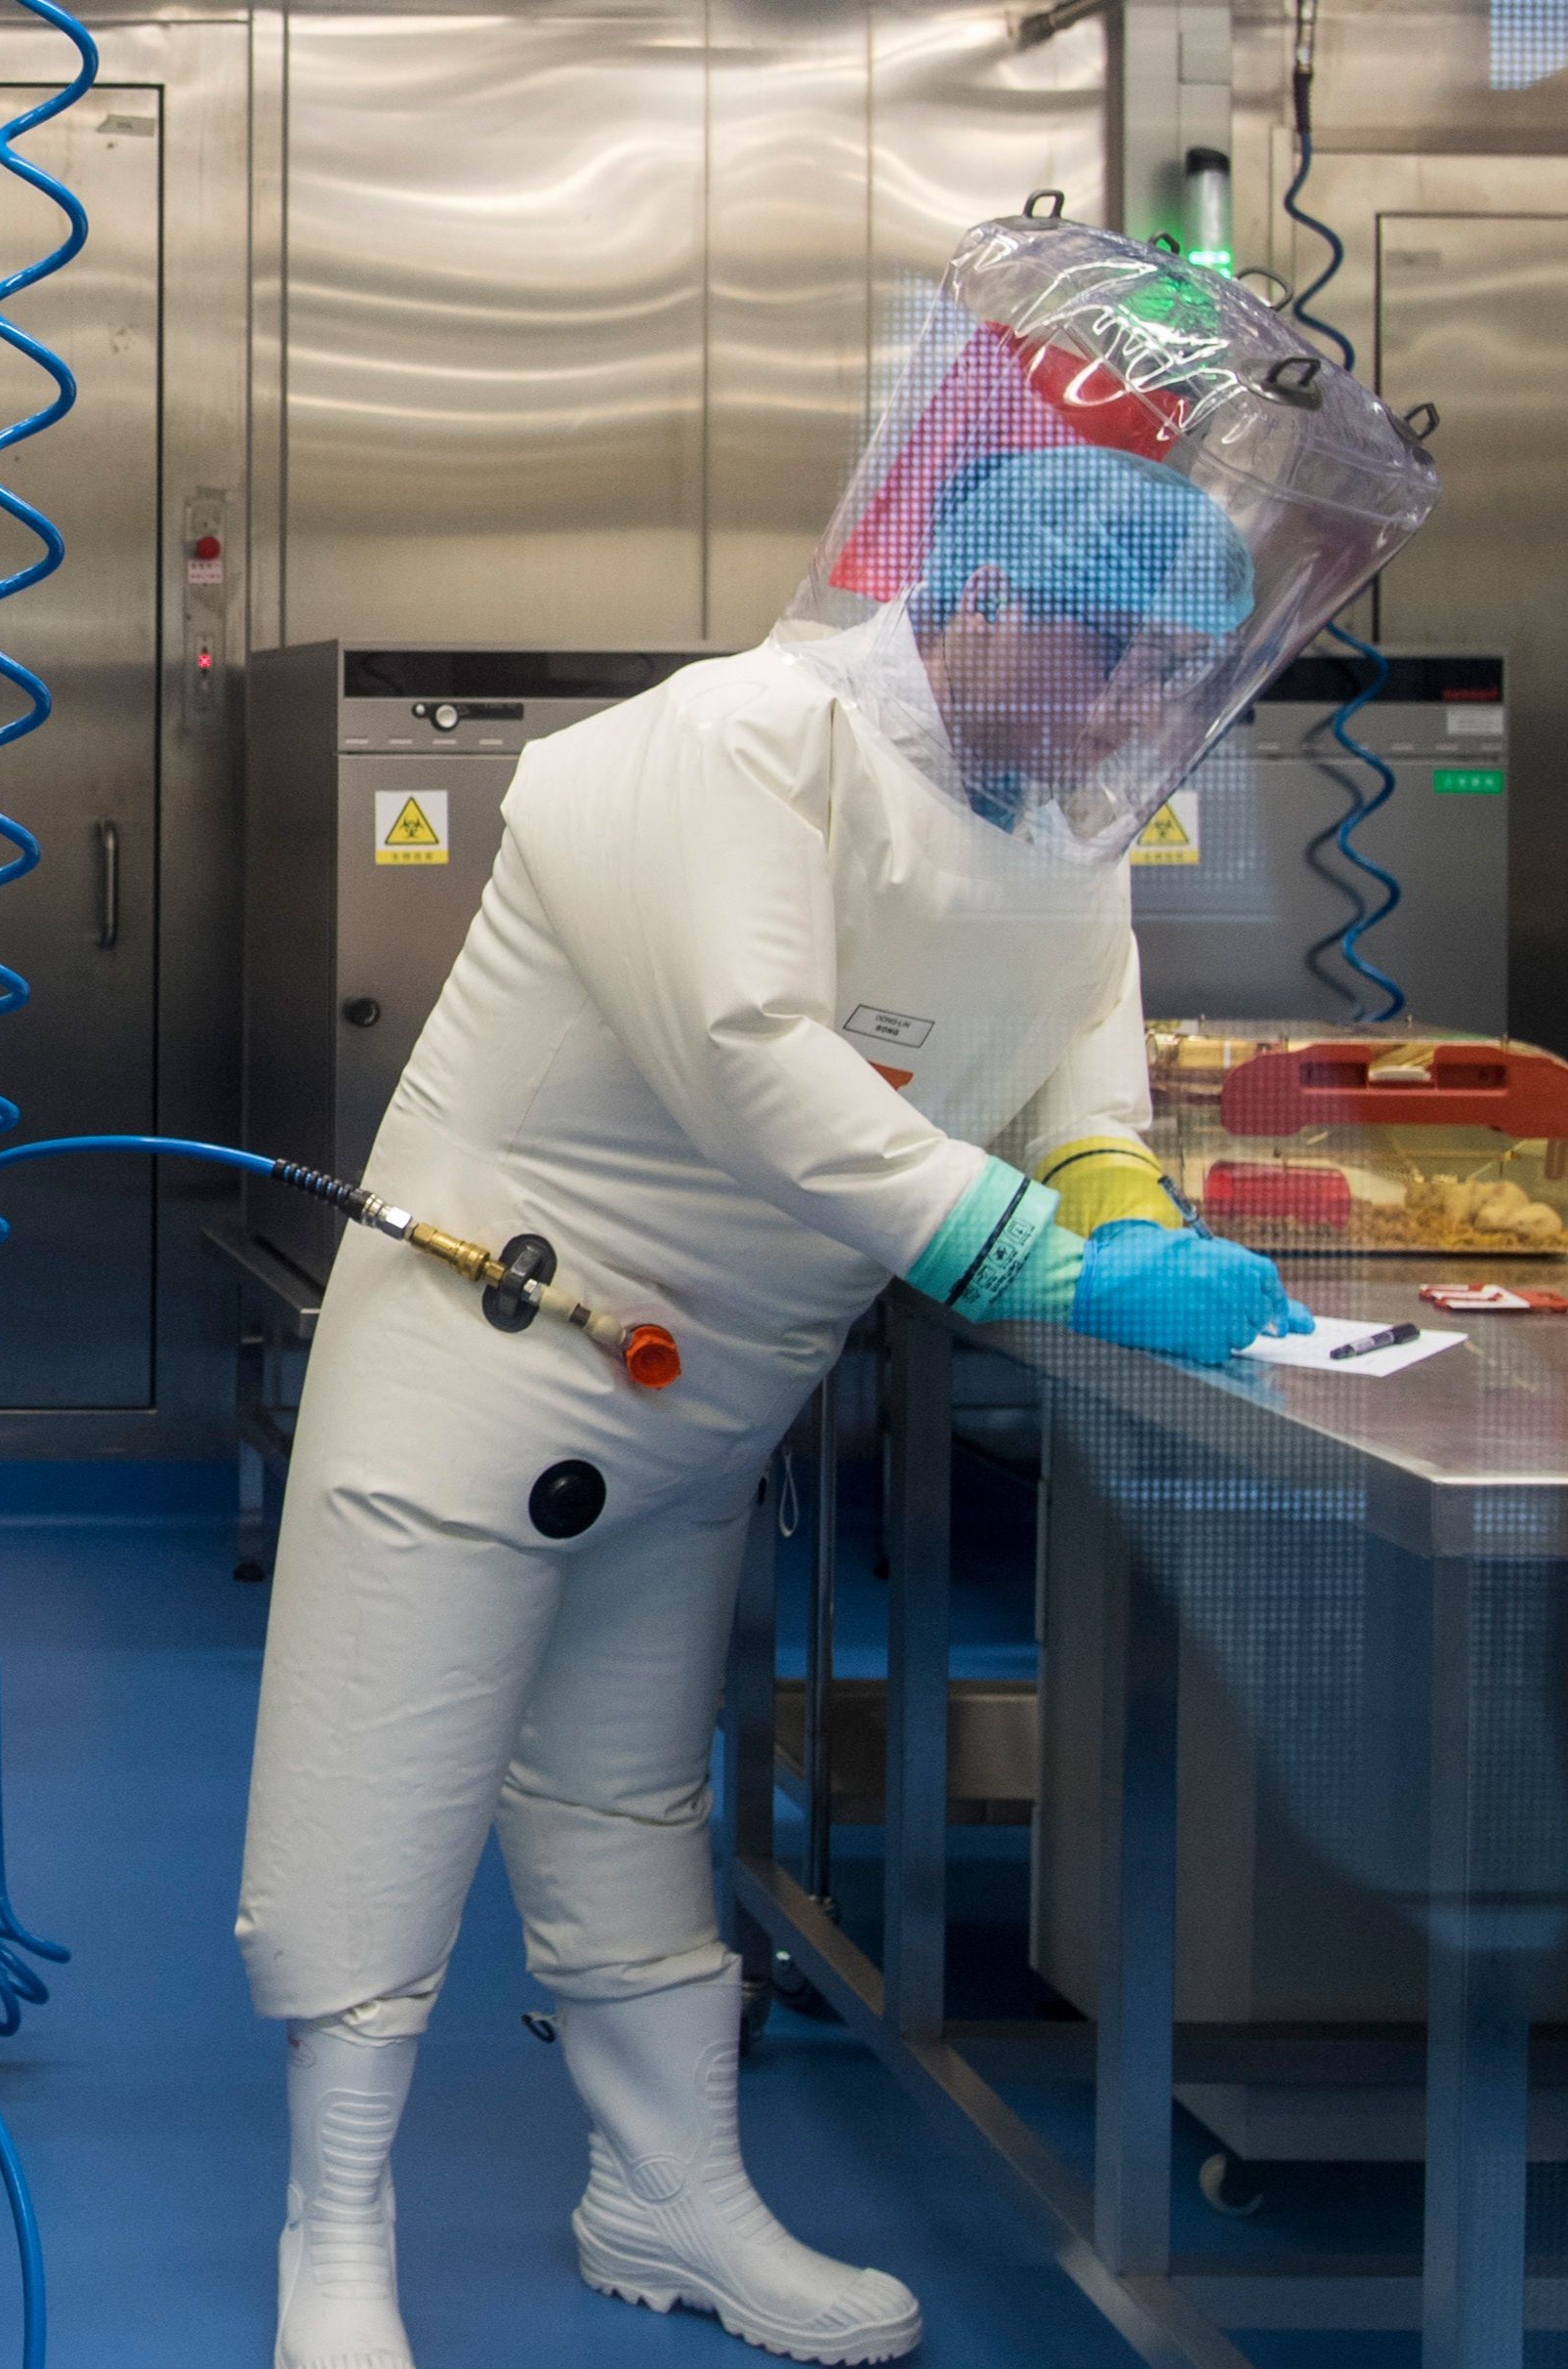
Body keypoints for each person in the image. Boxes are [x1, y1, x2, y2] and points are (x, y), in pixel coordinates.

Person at [241, 216, 1439, 2369]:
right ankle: (330, 2252)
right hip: (484, 1357)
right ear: (976, 602)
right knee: (377, 1788)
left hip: (705, 1394)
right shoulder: (712, 750)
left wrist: (1120, 1203)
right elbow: (761, 1072)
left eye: (1166, 675)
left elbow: (1073, 1053)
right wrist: (1032, 1258)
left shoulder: (1054, 819)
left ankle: (663, 2199)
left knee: (623, 1800)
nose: (1133, 710)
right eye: (1102, 661)